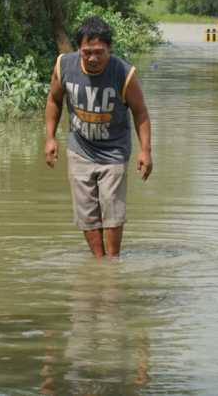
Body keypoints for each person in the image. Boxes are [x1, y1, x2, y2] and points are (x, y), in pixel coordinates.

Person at [44, 16, 153, 258]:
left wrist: (145, 150)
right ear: (79, 49)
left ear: (109, 49)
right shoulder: (64, 66)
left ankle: (112, 262)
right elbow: (54, 100)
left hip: (114, 151)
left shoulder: (124, 73)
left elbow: (140, 112)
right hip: (80, 148)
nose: (93, 58)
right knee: (86, 211)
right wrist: (50, 138)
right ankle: (99, 262)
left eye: (99, 52)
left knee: (112, 208)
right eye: (87, 52)